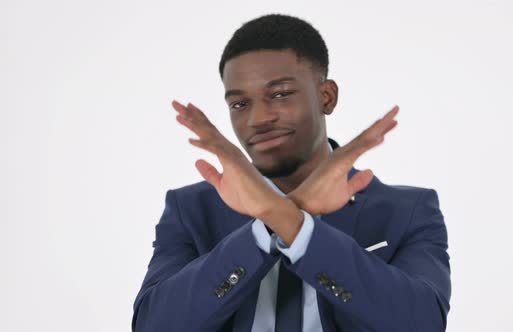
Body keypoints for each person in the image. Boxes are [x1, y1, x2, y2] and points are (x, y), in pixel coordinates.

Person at [132, 13, 451, 332]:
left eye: (280, 94)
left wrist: (290, 224)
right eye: (240, 104)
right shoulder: (190, 209)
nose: (258, 119)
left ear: (326, 97)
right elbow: (154, 326)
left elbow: (423, 324)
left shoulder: (407, 211)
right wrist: (273, 225)